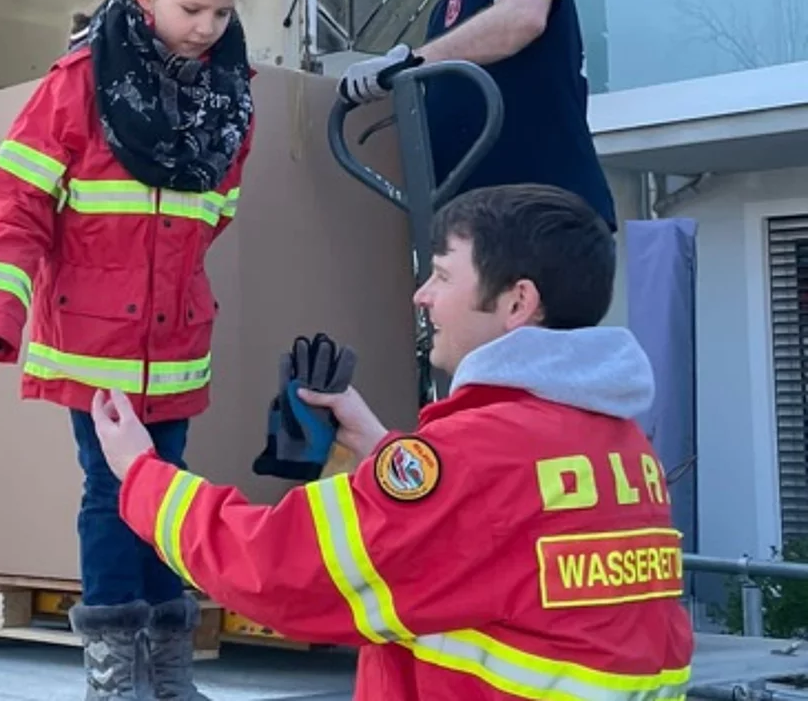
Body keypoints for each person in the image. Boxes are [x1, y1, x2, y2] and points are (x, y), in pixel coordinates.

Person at [89, 183, 694, 699]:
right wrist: (381, 448)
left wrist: (140, 473)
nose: (422, 296)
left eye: (441, 274)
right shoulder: (622, 448)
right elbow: (486, 549)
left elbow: (277, 569)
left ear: (517, 302)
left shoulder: (476, 454)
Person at [0, 0, 255, 700]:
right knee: (111, 489)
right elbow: (14, 203)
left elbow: (210, 214)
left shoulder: (231, 96)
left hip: (178, 338)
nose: (206, 28)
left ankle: (167, 669)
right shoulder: (78, 84)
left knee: (167, 482)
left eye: (222, 12)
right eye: (191, 9)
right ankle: (115, 676)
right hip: (94, 346)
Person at [338, 0, 618, 232]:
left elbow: (523, 16)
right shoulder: (441, 11)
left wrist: (410, 62)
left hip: (543, 214)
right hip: (483, 224)